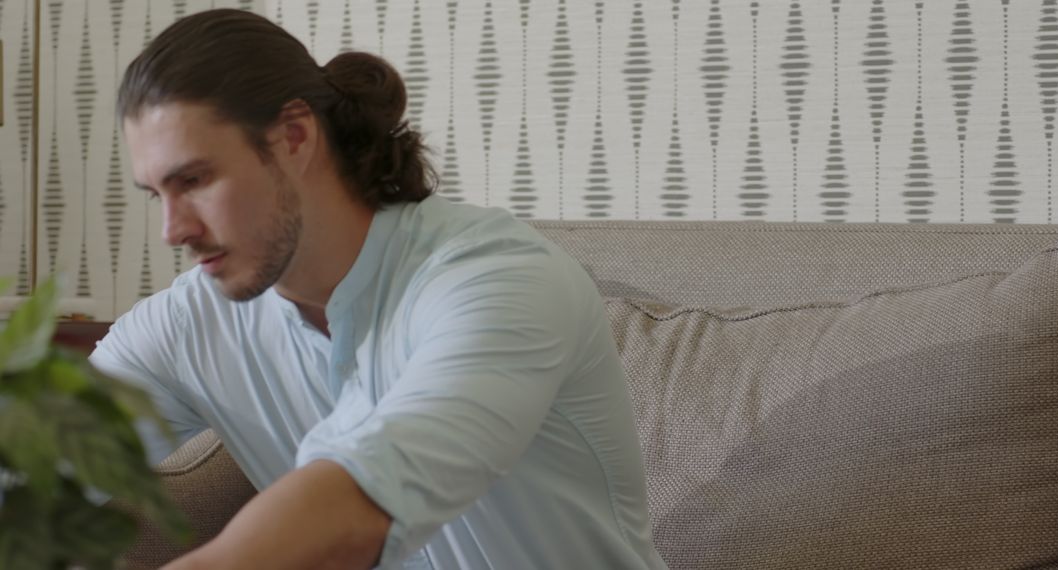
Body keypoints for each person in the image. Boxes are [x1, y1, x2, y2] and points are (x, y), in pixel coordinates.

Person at [90, 8, 666, 569]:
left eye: (194, 180)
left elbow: (358, 510)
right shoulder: (190, 323)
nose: (173, 230)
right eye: (156, 194)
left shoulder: (497, 279)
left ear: (294, 137)